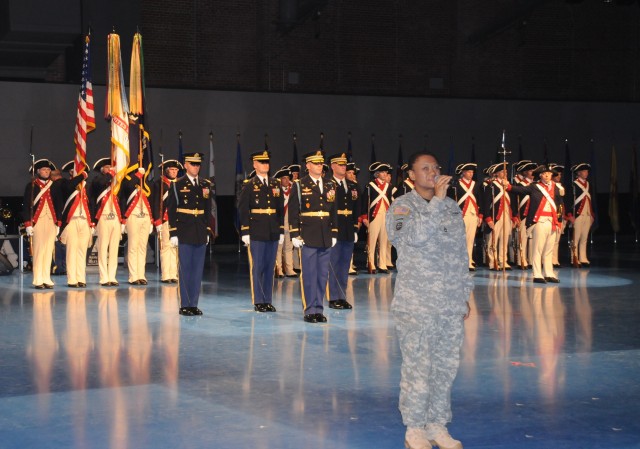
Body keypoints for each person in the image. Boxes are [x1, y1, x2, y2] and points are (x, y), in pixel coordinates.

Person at [386, 151, 471, 449]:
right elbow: (412, 240)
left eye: (436, 166)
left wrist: (464, 294)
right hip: (417, 304)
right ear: (411, 175)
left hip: (448, 303)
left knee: (445, 367)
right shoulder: (401, 207)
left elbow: (461, 254)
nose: (432, 172)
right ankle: (415, 428)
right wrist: (435, 201)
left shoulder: (451, 207)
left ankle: (437, 425)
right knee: (418, 368)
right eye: (425, 168)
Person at [288, 150, 338, 323]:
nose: (319, 166)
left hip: (325, 234)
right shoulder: (300, 185)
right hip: (308, 234)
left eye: (321, 163)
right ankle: (309, 309)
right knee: (309, 274)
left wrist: (335, 232)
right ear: (308, 165)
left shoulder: (330, 184)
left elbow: (334, 211)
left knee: (322, 275)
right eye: (316, 163)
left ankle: (319, 309)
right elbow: (293, 211)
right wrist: (294, 233)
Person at [166, 152, 212, 316]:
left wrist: (207, 230)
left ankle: (194, 303)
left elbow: (207, 210)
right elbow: (171, 210)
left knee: (197, 270)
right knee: (185, 269)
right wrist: (173, 233)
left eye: (198, 164)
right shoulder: (177, 184)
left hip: (200, 231)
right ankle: (185, 304)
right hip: (184, 231)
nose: (196, 167)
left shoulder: (205, 185)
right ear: (185, 165)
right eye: (192, 164)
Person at [238, 150, 284, 312]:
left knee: (270, 266)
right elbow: (243, 209)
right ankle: (258, 300)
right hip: (257, 230)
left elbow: (279, 209)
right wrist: (245, 231)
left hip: (272, 230)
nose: (266, 164)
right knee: (258, 266)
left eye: (267, 162)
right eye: (262, 162)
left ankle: (267, 299)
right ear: (255, 165)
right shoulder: (249, 185)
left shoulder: (275, 184)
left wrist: (281, 231)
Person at [506, 164, 563, 283]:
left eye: (549, 173)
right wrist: (508, 186)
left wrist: (559, 220)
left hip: (552, 221)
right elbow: (520, 190)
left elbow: (559, 204)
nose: (547, 175)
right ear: (540, 176)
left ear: (551, 175)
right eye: (544, 174)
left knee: (549, 249)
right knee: (538, 248)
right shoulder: (534, 187)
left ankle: (549, 273)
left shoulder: (556, 187)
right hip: (539, 220)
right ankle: (537, 274)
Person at [327, 152, 360, 309]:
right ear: (333, 166)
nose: (343, 167)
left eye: (344, 164)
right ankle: (333, 297)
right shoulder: (328, 184)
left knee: (345, 264)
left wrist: (354, 228)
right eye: (340, 165)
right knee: (333, 264)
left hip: (348, 228)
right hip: (335, 228)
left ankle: (342, 295)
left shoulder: (352, 185)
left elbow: (356, 208)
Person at [23, 159, 59, 289]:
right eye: (44, 170)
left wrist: (58, 223)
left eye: (48, 170)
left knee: (49, 250)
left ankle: (46, 278)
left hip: (51, 220)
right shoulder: (32, 186)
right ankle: (38, 279)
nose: (47, 172)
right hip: (37, 220)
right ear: (38, 171)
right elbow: (27, 206)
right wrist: (28, 224)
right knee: (38, 250)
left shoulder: (53, 185)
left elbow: (58, 204)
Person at [57, 161, 93, 287]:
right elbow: (69, 187)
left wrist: (92, 223)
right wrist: (81, 176)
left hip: (84, 220)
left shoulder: (86, 186)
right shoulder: (66, 183)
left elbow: (91, 204)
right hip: (71, 220)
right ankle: (72, 279)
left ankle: (81, 278)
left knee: (82, 251)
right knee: (71, 250)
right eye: (76, 171)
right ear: (71, 172)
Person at [90, 158, 124, 286]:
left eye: (111, 167)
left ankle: (112, 276)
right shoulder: (97, 179)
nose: (109, 169)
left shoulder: (116, 183)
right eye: (107, 167)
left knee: (114, 248)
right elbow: (100, 184)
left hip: (115, 216)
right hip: (103, 216)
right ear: (102, 169)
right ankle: (104, 276)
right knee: (103, 247)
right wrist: (111, 174)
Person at [119, 166, 153, 285]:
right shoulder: (127, 181)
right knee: (133, 246)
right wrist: (137, 176)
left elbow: (151, 197)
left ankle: (141, 275)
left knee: (142, 247)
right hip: (132, 215)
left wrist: (152, 221)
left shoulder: (146, 183)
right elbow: (127, 189)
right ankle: (133, 276)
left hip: (146, 216)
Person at [151, 159, 183, 283]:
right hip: (165, 219)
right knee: (166, 246)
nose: (174, 172)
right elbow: (155, 203)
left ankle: (174, 274)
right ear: (166, 171)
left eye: (176, 170)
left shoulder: (180, 184)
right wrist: (157, 220)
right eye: (172, 170)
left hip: (179, 219)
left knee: (176, 247)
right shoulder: (159, 184)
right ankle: (166, 274)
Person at [360, 162, 393, 274]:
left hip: (386, 216)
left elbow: (391, 202)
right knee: (372, 242)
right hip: (374, 217)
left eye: (386, 172)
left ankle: (382, 264)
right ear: (377, 173)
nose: (385, 174)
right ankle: (371, 263)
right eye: (382, 172)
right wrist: (365, 217)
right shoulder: (370, 186)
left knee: (384, 241)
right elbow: (364, 203)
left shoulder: (389, 186)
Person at [450, 162, 483, 271]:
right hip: (460, 215)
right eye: (469, 172)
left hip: (473, 215)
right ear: (463, 173)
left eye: (472, 172)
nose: (471, 174)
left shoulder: (476, 184)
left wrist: (480, 216)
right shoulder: (456, 185)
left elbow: (480, 200)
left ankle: (468, 261)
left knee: (470, 239)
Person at [483, 162, 514, 270]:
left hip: (506, 215)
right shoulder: (491, 185)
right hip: (495, 216)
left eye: (505, 171)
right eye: (502, 171)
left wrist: (513, 217)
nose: (505, 173)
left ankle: (503, 260)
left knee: (504, 240)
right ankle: (493, 261)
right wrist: (488, 218)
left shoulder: (507, 185)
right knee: (493, 241)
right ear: (496, 173)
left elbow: (512, 203)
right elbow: (486, 204)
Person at [566, 163, 594, 267]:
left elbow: (592, 200)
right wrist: (569, 215)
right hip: (577, 215)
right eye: (584, 171)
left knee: (584, 237)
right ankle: (574, 258)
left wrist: (592, 214)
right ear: (578, 173)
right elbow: (569, 201)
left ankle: (583, 257)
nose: (586, 173)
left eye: (587, 171)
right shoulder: (573, 185)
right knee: (576, 237)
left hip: (587, 214)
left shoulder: (589, 184)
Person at [511, 160, 537, 269]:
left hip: (534, 214)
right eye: (530, 171)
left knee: (534, 239)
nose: (532, 173)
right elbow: (513, 201)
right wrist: (515, 215)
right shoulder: (519, 185)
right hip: (523, 214)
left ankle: (531, 260)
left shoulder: (536, 185)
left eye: (533, 171)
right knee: (523, 238)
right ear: (525, 172)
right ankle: (521, 259)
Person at [273, 166, 298, 279]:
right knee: (279, 247)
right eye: (284, 178)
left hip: (290, 222)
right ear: (279, 180)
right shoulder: (275, 191)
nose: (287, 180)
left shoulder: (293, 190)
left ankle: (289, 269)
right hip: (279, 222)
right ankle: (279, 269)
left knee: (289, 247)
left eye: (288, 178)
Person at [548, 164, 566, 267]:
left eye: (560, 174)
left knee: (556, 240)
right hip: (549, 215)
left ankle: (554, 260)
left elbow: (561, 203)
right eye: (556, 174)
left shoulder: (559, 186)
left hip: (558, 215)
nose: (559, 176)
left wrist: (562, 215)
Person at [346, 162, 361, 275]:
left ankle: (349, 265)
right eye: (349, 172)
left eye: (353, 173)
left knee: (349, 245)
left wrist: (357, 222)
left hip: (350, 219)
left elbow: (357, 205)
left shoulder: (355, 187)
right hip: (340, 219)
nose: (351, 175)